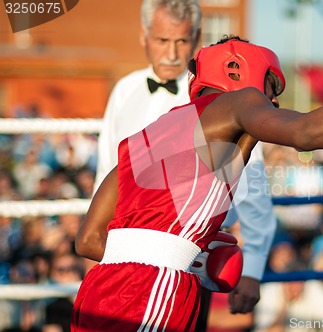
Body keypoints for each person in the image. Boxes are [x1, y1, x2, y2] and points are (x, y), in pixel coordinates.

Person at [71, 35, 323, 331]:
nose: (274, 101)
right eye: (271, 86)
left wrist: (189, 256)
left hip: (98, 291)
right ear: (240, 73)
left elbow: (89, 239)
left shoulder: (140, 139)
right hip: (151, 293)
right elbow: (305, 132)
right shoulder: (235, 102)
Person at [93, 0, 278, 321]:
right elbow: (106, 171)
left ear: (196, 39)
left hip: (195, 255)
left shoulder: (221, 95)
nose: (172, 53)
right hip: (122, 256)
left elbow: (255, 185)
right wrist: (97, 241)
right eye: (162, 40)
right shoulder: (125, 90)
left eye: (181, 41)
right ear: (144, 36)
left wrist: (253, 267)